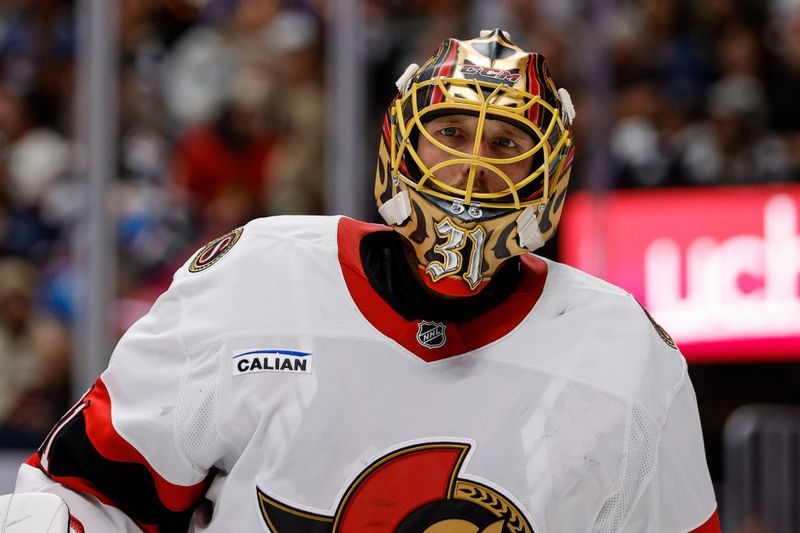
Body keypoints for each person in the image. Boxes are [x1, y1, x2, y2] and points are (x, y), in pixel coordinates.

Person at [5, 30, 720, 532]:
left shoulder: (626, 354)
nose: (472, 170)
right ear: (399, 145)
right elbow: (88, 492)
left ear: (548, 180)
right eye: (450, 134)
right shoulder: (255, 276)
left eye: (506, 143)